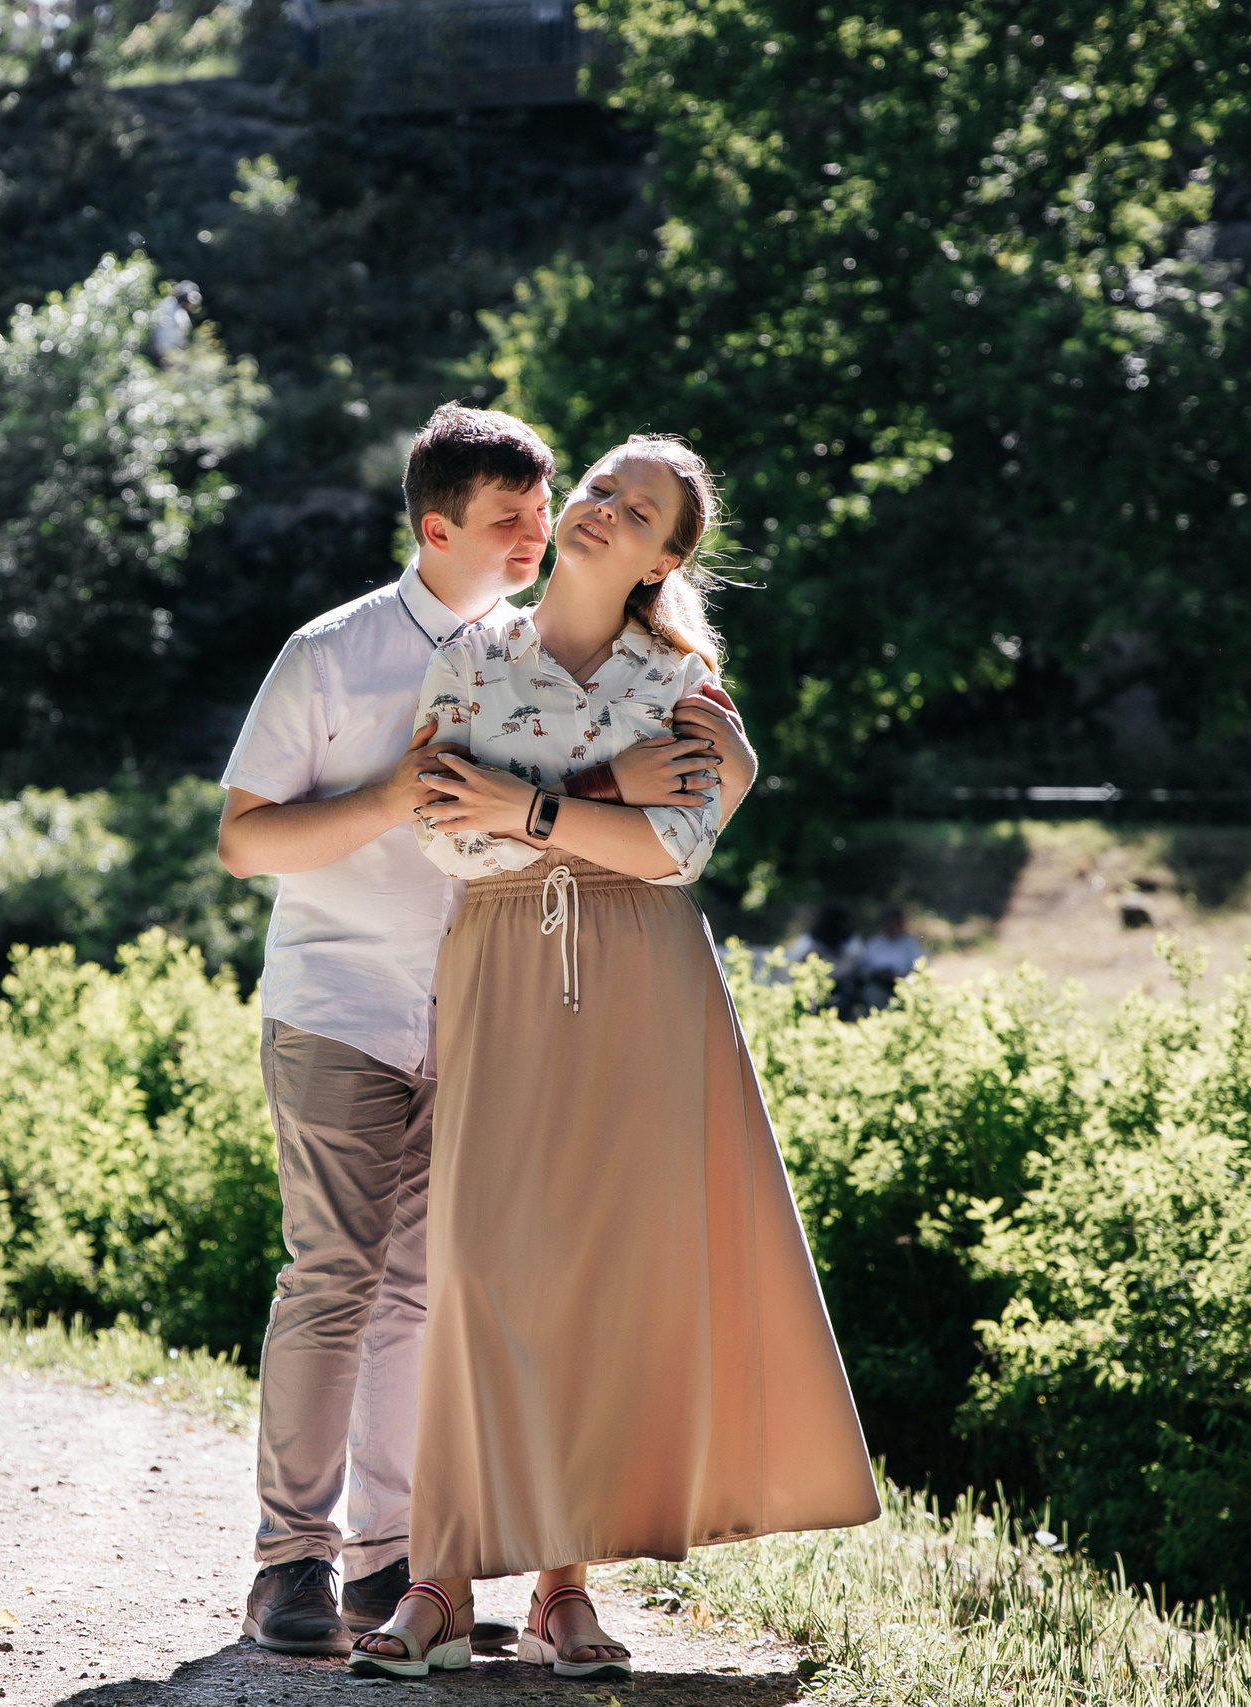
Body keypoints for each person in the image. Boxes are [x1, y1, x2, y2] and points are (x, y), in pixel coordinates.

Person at [216, 405, 752, 1656]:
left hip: (488, 1010)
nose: (543, 523)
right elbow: (246, 841)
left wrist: (695, 772)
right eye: (515, 513)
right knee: (334, 1281)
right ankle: (288, 1560)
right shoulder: (331, 653)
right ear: (438, 525)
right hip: (343, 1002)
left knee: (428, 1290)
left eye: (547, 501)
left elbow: (638, 796)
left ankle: (392, 1560)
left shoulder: (542, 649)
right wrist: (418, 792)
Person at [349, 433, 880, 1681]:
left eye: (636, 511)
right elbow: (441, 830)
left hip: (642, 986)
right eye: (597, 490)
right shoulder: (471, 654)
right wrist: (596, 794)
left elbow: (671, 851)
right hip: (501, 972)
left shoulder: (686, 685)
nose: (600, 513)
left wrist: (529, 806)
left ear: (661, 558)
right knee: (482, 1267)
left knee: (594, 1279)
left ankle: (561, 1589)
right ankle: (437, 1577)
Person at [852, 904, 926, 1011]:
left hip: (904, 985)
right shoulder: (874, 943)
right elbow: (863, 968)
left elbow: (919, 968)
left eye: (895, 923)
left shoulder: (911, 944)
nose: (891, 927)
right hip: (879, 985)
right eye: (887, 923)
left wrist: (899, 974)